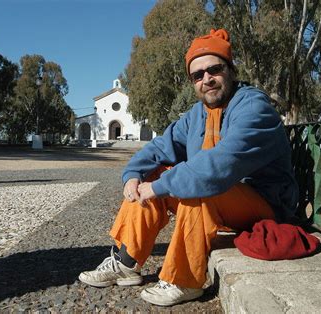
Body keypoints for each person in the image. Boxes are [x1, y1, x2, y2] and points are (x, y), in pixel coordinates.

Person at [78, 28, 298, 306]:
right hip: (224, 200)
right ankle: (125, 262)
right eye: (198, 75)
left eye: (214, 69)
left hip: (265, 205)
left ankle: (184, 279)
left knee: (195, 185)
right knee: (152, 173)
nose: (207, 79)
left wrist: (157, 188)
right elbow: (160, 148)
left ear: (230, 70)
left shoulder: (254, 107)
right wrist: (133, 175)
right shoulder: (198, 114)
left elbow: (218, 167)